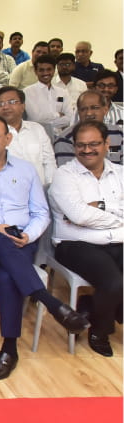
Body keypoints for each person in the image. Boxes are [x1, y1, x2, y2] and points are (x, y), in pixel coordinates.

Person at [0, 116, 90, 381]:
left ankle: (8, 350)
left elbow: (41, 213)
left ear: (8, 139)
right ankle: (52, 303)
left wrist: (28, 235)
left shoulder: (26, 170)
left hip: (19, 242)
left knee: (6, 274)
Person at [48, 120, 123, 356]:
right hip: (75, 245)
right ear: (74, 146)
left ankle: (90, 305)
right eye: (81, 145)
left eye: (94, 144)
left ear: (107, 144)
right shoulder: (64, 175)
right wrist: (118, 217)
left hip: (118, 240)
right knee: (114, 283)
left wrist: (102, 206)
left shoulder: (120, 173)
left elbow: (84, 215)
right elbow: (79, 215)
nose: (87, 150)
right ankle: (100, 331)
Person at [54, 90, 122, 166]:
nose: (89, 113)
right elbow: (66, 171)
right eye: (83, 109)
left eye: (94, 108)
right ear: (78, 112)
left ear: (105, 110)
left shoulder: (119, 133)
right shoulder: (65, 139)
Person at [22, 55, 74, 137]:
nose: (45, 73)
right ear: (35, 71)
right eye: (41, 70)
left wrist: (49, 124)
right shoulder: (27, 92)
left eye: (49, 69)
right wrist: (58, 115)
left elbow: (70, 117)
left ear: (54, 70)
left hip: (59, 136)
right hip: (35, 136)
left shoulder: (63, 92)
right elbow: (36, 118)